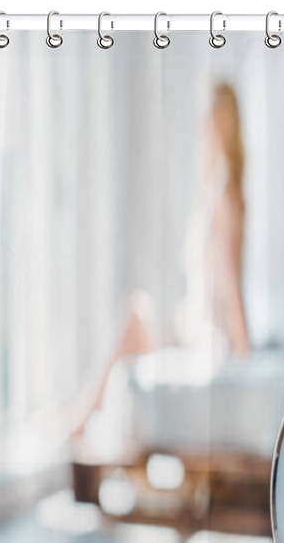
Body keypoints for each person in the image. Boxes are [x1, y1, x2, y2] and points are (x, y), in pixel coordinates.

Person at [71, 82, 250, 438]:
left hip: (208, 339)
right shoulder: (213, 185)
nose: (202, 128)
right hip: (191, 327)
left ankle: (80, 418)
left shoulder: (224, 191)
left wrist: (244, 356)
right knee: (137, 314)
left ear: (217, 124)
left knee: (135, 317)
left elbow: (230, 280)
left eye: (208, 119)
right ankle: (81, 414)